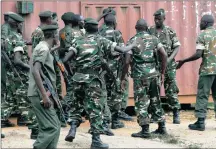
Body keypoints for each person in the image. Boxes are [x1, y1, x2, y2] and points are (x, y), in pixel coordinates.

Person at [63, 18, 136, 149]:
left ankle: (73, 129)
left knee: (76, 105)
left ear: (85, 28)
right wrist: (132, 45)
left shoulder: (77, 41)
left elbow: (65, 59)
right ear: (97, 28)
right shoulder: (101, 40)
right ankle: (96, 141)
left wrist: (72, 73)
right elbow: (122, 49)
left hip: (78, 78)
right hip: (93, 80)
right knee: (95, 109)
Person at [122, 19, 168, 138]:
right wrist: (162, 71)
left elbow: (127, 61)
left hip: (140, 75)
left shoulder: (133, 40)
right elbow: (164, 54)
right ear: (147, 28)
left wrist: (123, 76)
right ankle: (161, 127)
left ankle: (145, 130)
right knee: (156, 99)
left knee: (141, 101)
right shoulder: (154, 39)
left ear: (136, 28)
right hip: (154, 73)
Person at [176, 14, 216, 131]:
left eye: (201, 22)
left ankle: (200, 122)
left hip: (207, 70)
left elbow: (199, 54)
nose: (199, 24)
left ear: (205, 23)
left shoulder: (202, 35)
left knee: (203, 95)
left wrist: (184, 60)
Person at [28, 24, 60, 149]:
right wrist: (44, 96)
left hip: (40, 92)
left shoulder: (43, 47)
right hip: (39, 94)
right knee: (52, 127)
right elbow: (36, 70)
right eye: (58, 34)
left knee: (54, 126)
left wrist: (55, 48)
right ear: (54, 35)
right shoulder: (43, 49)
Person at [149, 8, 181, 124]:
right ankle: (155, 114)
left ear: (164, 18)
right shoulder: (150, 30)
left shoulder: (170, 31)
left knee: (171, 89)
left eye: (159, 19)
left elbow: (177, 46)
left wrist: (169, 59)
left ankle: (176, 112)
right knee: (154, 90)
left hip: (169, 65)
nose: (156, 21)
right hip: (155, 65)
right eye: (155, 19)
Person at [1, 12, 31, 127]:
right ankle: (24, 118)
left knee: (10, 97)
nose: (21, 26)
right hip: (18, 71)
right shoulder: (14, 35)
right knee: (23, 94)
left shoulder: (10, 36)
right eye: (20, 24)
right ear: (16, 24)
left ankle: (2, 118)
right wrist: (30, 68)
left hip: (11, 71)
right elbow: (17, 60)